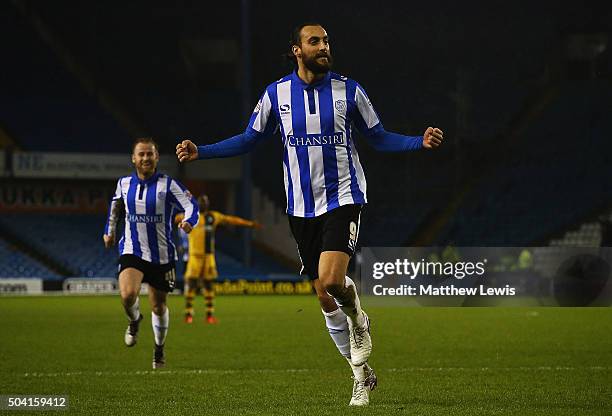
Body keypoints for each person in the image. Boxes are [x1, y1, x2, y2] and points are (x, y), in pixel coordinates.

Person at [176, 22, 444, 406]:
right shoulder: (276, 94)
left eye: (327, 41)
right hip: (301, 207)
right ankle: (360, 374)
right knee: (322, 293)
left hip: (344, 196)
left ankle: (359, 321)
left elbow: (379, 136)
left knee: (333, 281)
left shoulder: (350, 91)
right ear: (297, 50)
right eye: (315, 41)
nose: (324, 47)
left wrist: (419, 141)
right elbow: (250, 138)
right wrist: (202, 151)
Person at [104, 137, 199, 369]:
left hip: (162, 255)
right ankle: (135, 320)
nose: (145, 158)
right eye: (141, 154)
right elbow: (115, 206)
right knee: (127, 294)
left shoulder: (168, 184)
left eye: (150, 154)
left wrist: (189, 221)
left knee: (158, 306)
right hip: (132, 250)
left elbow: (191, 204)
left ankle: (158, 349)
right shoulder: (124, 184)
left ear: (156, 158)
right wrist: (109, 231)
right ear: (134, 158)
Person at [177, 194, 261, 324]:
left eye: (205, 201)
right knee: (191, 284)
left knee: (209, 285)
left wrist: (249, 224)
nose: (204, 203)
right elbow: (175, 218)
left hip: (208, 256)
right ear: (197, 203)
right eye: (201, 201)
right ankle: (189, 314)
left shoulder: (213, 217)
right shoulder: (190, 216)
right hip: (194, 256)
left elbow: (231, 220)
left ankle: (209, 315)